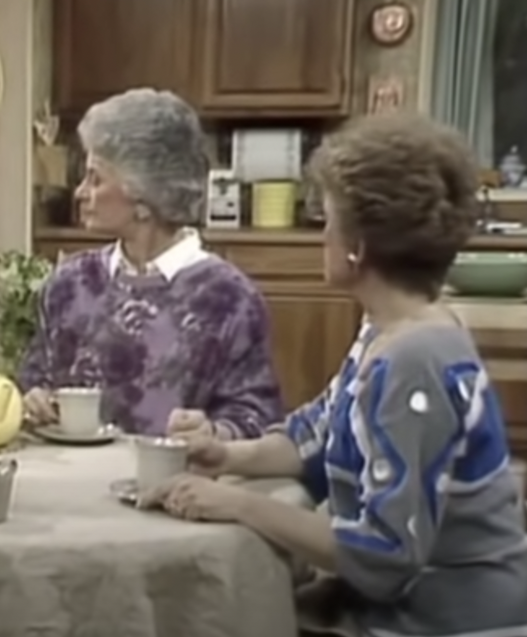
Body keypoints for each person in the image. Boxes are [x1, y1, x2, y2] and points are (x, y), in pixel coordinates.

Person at [149, 114, 527, 637]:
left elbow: (384, 554)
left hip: (450, 623)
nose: (321, 234)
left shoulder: (413, 361)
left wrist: (237, 503)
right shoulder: (389, 327)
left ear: (361, 246)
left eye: (328, 219)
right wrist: (227, 454)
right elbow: (316, 434)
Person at [18, 88, 282, 438]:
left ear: (144, 197)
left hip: (176, 486)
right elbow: (34, 380)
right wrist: (32, 399)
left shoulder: (229, 298)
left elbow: (256, 417)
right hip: (70, 482)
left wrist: (215, 432)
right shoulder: (69, 284)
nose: (80, 192)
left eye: (95, 179)